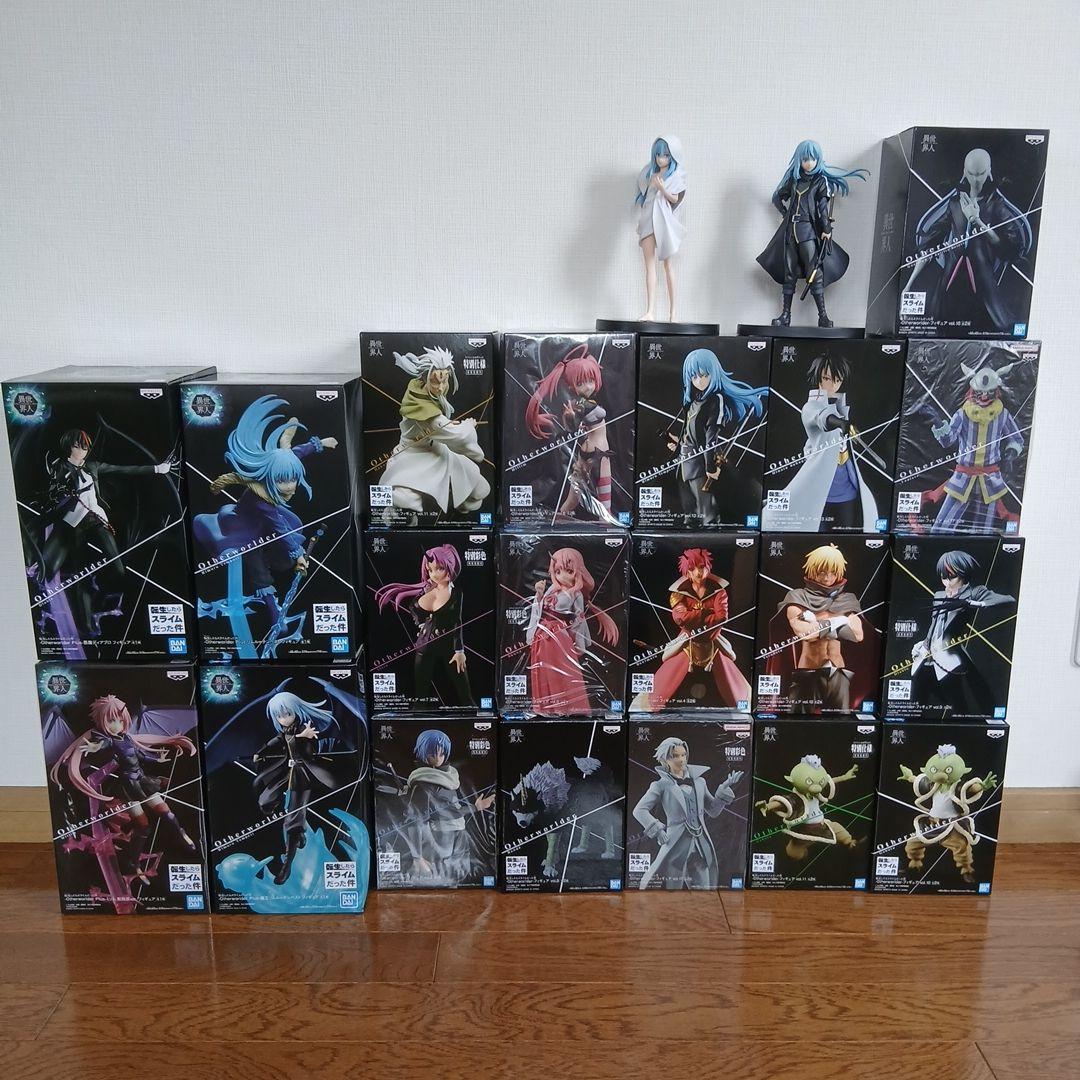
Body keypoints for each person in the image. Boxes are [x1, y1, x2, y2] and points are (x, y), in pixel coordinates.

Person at [49, 693, 198, 885]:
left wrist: (157, 759)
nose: (117, 725)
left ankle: (182, 834)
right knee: (143, 825)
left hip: (143, 780)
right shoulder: (108, 740)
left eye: (120, 720)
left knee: (166, 813)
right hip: (128, 786)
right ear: (103, 721)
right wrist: (96, 747)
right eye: (112, 720)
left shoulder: (128, 738)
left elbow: (139, 755)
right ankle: (133, 863)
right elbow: (105, 743)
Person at [40, 428, 174, 636]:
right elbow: (52, 495)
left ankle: (106, 595)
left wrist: (157, 469)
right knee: (82, 575)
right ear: (68, 447)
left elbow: (123, 470)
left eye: (85, 447)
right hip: (74, 525)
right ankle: (86, 626)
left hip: (96, 520)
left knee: (117, 566)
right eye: (78, 447)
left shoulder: (92, 466)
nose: (82, 451)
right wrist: (62, 487)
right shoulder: (60, 467)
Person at [904, 148, 1033, 333]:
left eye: (981, 174)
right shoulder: (954, 203)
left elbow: (1007, 247)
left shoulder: (996, 205)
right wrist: (908, 286)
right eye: (972, 174)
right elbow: (930, 247)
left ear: (989, 172)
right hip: (949, 279)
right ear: (965, 172)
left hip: (982, 281)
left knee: (994, 325)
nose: (976, 180)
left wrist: (977, 221)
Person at [756, 139, 868, 328]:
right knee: (789, 272)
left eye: (813, 159)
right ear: (799, 160)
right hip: (790, 232)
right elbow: (777, 198)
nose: (809, 163)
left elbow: (823, 210)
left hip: (808, 231)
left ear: (818, 159)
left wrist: (826, 229)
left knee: (814, 271)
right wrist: (785, 214)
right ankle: (785, 316)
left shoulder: (820, 181)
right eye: (805, 159)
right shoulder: (794, 180)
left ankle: (823, 316)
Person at [762, 352, 878, 532]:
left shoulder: (840, 408)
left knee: (843, 536)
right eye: (827, 378)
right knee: (815, 535)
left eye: (837, 380)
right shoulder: (811, 407)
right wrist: (840, 423)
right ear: (818, 378)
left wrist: (850, 430)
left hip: (846, 487)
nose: (833, 385)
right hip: (820, 486)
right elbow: (822, 417)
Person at [630, 547, 750, 712]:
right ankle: (647, 706)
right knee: (665, 676)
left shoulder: (719, 592)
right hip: (687, 640)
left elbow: (722, 617)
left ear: (708, 567)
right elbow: (680, 618)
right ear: (687, 572)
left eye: (701, 567)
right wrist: (705, 613)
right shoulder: (679, 593)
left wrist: (695, 617)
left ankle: (743, 704)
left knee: (734, 680)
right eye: (693, 568)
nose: (698, 572)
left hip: (713, 640)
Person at [377, 347, 489, 523]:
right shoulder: (421, 407)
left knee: (479, 492)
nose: (441, 387)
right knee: (407, 502)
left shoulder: (419, 389)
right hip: (412, 455)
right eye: (435, 382)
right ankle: (395, 507)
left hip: (437, 450)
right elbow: (455, 435)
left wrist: (447, 424)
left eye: (444, 381)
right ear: (425, 378)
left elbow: (440, 426)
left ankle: (453, 499)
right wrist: (468, 426)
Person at [667, 349, 768, 524]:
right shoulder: (693, 402)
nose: (699, 381)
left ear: (713, 373)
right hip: (685, 462)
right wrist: (679, 444)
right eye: (694, 377)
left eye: (704, 375)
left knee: (706, 513)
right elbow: (690, 432)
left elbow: (710, 438)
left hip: (700, 463)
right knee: (690, 513)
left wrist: (710, 467)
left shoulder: (715, 400)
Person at [909, 550, 1015, 716]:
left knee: (958, 705)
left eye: (952, 577)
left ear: (963, 574)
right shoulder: (939, 595)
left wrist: (973, 603)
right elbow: (935, 625)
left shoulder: (974, 592)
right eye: (943, 577)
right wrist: (923, 645)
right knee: (914, 704)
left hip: (951, 656)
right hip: (927, 655)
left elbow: (1009, 600)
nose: (947, 582)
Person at [251, 691, 340, 886]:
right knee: (265, 801)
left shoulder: (306, 729)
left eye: (287, 714)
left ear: (296, 712)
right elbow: (277, 740)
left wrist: (302, 736)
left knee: (292, 822)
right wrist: (261, 752)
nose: (283, 718)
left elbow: (307, 749)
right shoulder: (287, 732)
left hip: (303, 776)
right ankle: (298, 833)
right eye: (279, 715)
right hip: (286, 772)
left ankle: (287, 866)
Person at [633, 736, 742, 890]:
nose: (681, 759)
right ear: (665, 760)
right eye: (675, 756)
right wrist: (658, 831)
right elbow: (639, 810)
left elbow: (713, 811)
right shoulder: (661, 785)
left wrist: (722, 790)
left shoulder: (699, 782)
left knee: (704, 888)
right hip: (676, 843)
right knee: (672, 887)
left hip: (700, 841)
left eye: (683, 755)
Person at [375, 544, 473, 708]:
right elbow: (413, 606)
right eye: (430, 570)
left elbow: (457, 622)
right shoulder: (426, 589)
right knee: (420, 696)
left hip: (449, 646)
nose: (434, 574)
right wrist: (421, 623)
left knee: (465, 694)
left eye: (439, 568)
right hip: (424, 645)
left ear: (450, 567)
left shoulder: (456, 593)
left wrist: (459, 650)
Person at [525, 547, 619, 715]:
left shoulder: (576, 595)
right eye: (558, 571)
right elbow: (538, 610)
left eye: (569, 571)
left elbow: (578, 620)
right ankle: (547, 708)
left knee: (561, 674)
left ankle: (565, 707)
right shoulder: (552, 589)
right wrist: (538, 595)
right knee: (544, 672)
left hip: (559, 638)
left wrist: (579, 643)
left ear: (578, 572)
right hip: (542, 636)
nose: (562, 576)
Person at [396, 729, 495, 883]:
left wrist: (476, 807)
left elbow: (452, 809)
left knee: (459, 876)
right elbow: (415, 821)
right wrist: (417, 857)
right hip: (440, 838)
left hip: (459, 833)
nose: (438, 759)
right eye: (432, 754)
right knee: (441, 878)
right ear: (423, 753)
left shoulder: (450, 776)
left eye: (441, 754)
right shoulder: (423, 784)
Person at [778, 544, 864, 710]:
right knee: (798, 720)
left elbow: (857, 635)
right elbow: (806, 634)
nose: (827, 578)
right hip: (808, 671)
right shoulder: (797, 597)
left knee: (840, 721)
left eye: (833, 573)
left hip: (838, 671)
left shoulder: (847, 600)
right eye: (822, 572)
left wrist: (818, 625)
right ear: (813, 570)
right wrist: (839, 622)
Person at [635, 136, 687, 321]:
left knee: (668, 265)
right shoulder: (650, 173)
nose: (660, 159)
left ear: (672, 155)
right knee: (649, 268)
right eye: (658, 155)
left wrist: (663, 189)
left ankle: (673, 313)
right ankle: (650, 311)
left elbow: (675, 199)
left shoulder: (676, 175)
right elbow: (645, 194)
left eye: (665, 155)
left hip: (664, 222)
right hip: (648, 219)